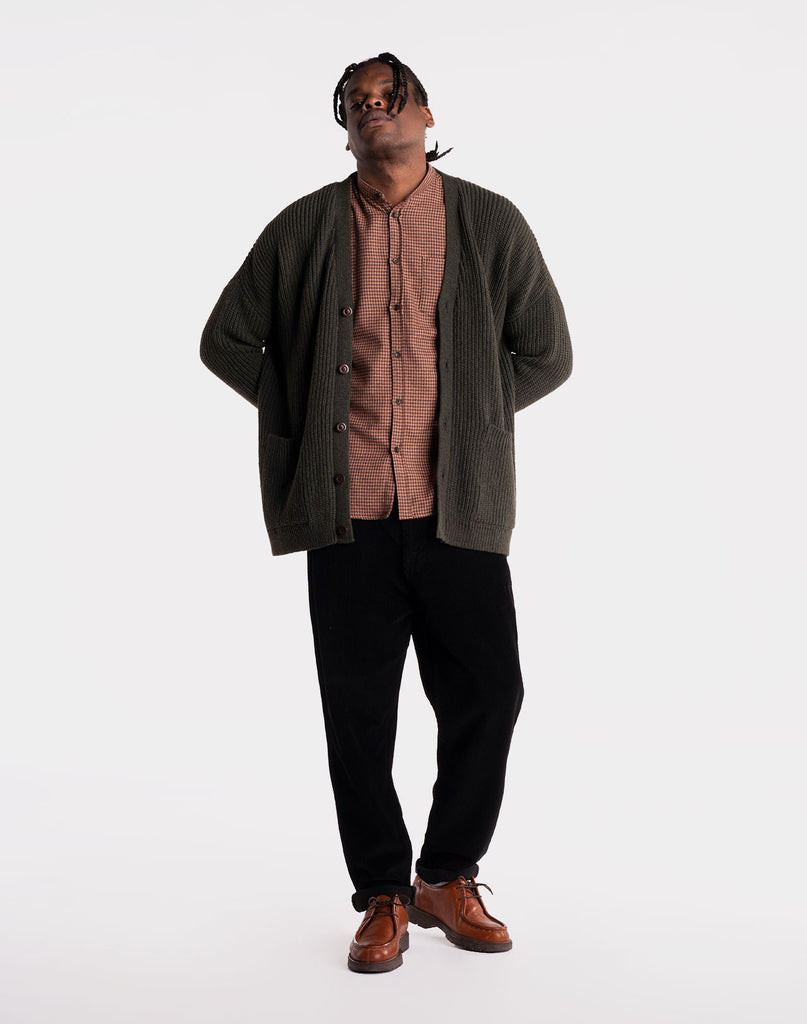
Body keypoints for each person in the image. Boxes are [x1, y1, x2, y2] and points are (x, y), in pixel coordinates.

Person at [200, 51, 572, 973]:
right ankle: (382, 894)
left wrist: (475, 420)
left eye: (389, 96)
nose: (373, 110)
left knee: (489, 693)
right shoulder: (305, 227)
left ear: (426, 113)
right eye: (357, 102)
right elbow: (226, 339)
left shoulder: (487, 221)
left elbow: (546, 352)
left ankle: (446, 876)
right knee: (358, 714)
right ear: (345, 125)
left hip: (458, 511)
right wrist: (302, 415)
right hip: (349, 514)